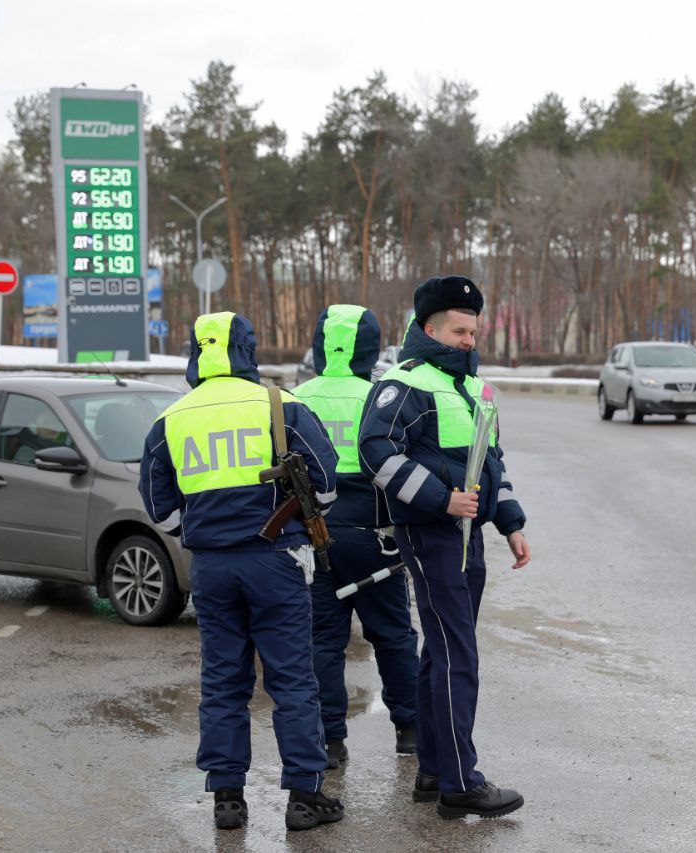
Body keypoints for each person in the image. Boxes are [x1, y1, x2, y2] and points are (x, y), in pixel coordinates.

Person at [139, 311, 345, 832]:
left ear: (196, 352)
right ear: (248, 350)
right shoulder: (282, 405)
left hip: (210, 567)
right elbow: (325, 489)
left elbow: (160, 513)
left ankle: (227, 798)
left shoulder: (172, 418)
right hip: (276, 562)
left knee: (223, 682)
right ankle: (304, 796)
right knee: (293, 680)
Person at [358, 276, 531, 819]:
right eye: (459, 330)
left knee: (441, 651)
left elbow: (490, 461)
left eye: (473, 331)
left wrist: (511, 522)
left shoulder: (472, 387)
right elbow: (375, 452)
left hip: (466, 537)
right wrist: (440, 500)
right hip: (432, 535)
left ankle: (434, 770)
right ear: (429, 328)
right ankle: (460, 782)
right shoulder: (406, 382)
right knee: (457, 653)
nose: (468, 339)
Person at [294, 304, 420, 769]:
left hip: (316, 534)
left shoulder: (295, 397)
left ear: (318, 345)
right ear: (370, 346)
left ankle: (330, 741)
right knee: (393, 637)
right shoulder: (383, 397)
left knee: (323, 642)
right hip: (376, 537)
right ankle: (410, 730)